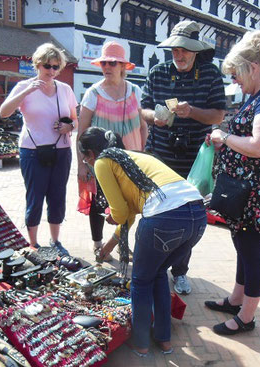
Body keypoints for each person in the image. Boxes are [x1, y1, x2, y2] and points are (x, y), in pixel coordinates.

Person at [79, 126, 206, 357]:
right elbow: (129, 213)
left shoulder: (102, 162)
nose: (87, 163)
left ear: (91, 153)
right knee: (157, 273)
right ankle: (164, 340)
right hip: (197, 216)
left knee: (140, 280)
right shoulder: (135, 158)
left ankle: (141, 344)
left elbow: (119, 212)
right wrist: (109, 245)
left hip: (165, 217)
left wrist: (111, 217)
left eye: (85, 158)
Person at [204, 30, 260, 336]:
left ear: (252, 67)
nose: (235, 82)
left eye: (236, 75)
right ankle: (236, 299)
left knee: (251, 250)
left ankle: (247, 316)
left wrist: (224, 137)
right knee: (242, 244)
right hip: (247, 189)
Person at [140, 20, 226, 295]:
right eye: (175, 49)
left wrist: (193, 112)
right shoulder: (158, 72)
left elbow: (217, 115)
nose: (179, 55)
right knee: (157, 210)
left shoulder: (211, 74)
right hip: (160, 152)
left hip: (194, 157)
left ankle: (180, 271)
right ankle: (155, 266)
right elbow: (142, 110)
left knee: (189, 216)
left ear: (196, 51)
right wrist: (156, 118)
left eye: (185, 50)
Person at [0, 43, 77, 255]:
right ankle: (33, 243)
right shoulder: (24, 87)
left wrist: (69, 126)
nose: (51, 71)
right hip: (32, 150)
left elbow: (75, 119)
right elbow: (4, 112)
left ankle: (55, 240)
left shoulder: (65, 89)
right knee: (35, 196)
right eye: (46, 66)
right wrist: (26, 91)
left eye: (55, 66)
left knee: (57, 195)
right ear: (37, 65)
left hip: (61, 149)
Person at [77, 41, 148, 259]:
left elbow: (143, 125)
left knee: (129, 204)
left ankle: (122, 243)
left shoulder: (136, 91)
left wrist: (143, 154)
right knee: (99, 203)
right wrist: (81, 164)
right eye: (105, 62)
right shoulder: (94, 93)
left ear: (123, 66)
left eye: (113, 63)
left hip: (130, 158)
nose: (107, 67)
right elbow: (81, 132)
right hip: (100, 159)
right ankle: (98, 244)